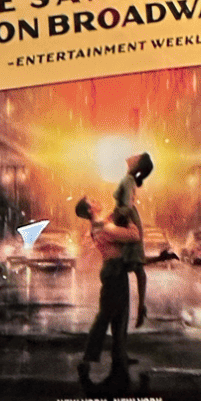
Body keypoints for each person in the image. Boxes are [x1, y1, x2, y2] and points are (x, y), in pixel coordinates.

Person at [76, 195, 142, 387]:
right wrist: (130, 221)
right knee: (106, 316)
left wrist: (123, 205)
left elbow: (111, 217)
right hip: (114, 271)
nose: (97, 200)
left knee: (120, 316)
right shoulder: (102, 227)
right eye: (92, 201)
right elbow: (133, 235)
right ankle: (87, 360)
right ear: (90, 210)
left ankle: (120, 356)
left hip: (115, 269)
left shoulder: (100, 223)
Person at [114, 151, 153, 328]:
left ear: (136, 165)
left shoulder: (128, 180)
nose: (132, 156)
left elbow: (127, 205)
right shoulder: (128, 179)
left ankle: (131, 309)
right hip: (128, 221)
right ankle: (138, 307)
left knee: (129, 266)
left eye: (136, 157)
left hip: (127, 221)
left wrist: (114, 216)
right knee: (134, 267)